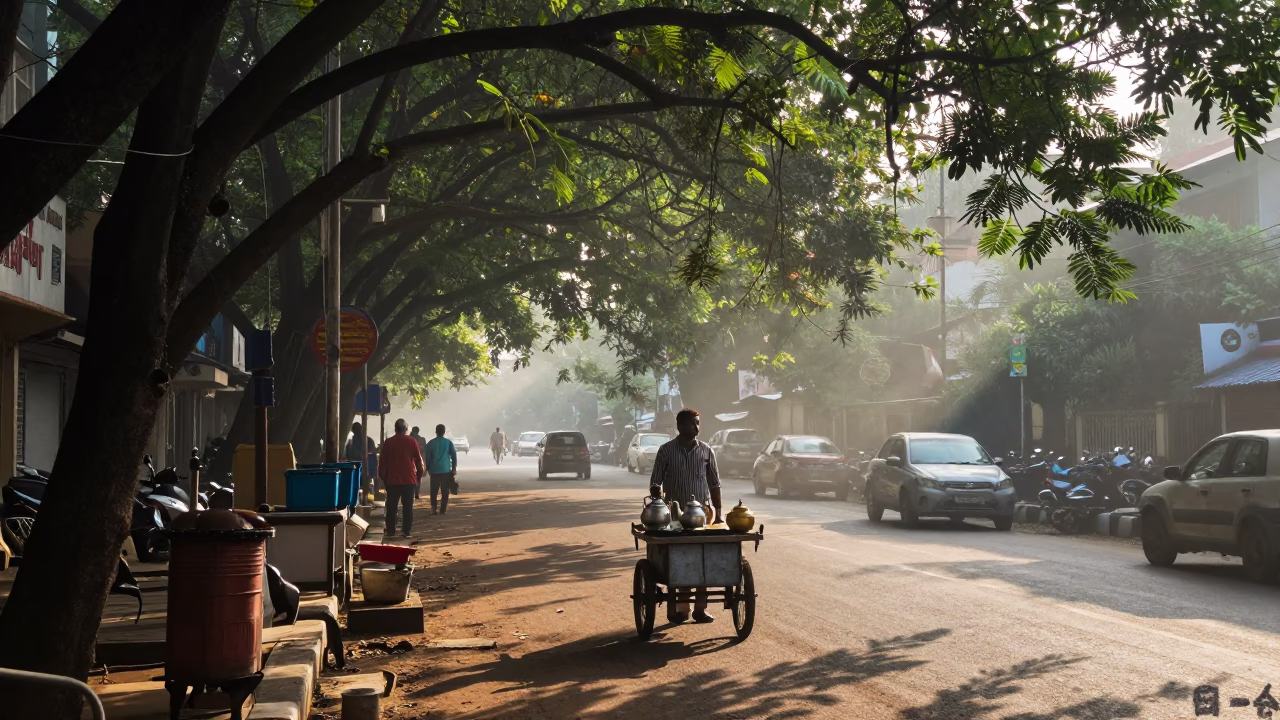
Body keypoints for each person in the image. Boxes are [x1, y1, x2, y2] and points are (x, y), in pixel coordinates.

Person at [649, 408, 722, 624]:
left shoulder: (707, 451)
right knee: (680, 561)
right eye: (692, 424)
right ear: (680, 426)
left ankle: (700, 609)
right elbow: (655, 482)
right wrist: (657, 494)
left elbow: (715, 484)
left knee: (701, 561)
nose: (697, 428)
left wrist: (718, 514)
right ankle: (681, 609)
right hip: (674, 518)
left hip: (703, 517)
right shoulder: (666, 451)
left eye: (698, 424)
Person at [378, 419, 424, 538]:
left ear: (395, 428)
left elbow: (382, 462)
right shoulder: (412, 441)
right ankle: (406, 531)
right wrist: (419, 476)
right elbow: (419, 461)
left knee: (392, 507)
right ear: (405, 429)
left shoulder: (388, 442)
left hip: (392, 480)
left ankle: (391, 531)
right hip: (409, 480)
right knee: (408, 507)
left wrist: (382, 476)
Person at [425, 424, 459, 514]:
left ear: (436, 432)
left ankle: (433, 509)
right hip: (445, 470)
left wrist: (428, 468)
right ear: (444, 432)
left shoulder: (431, 443)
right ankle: (443, 510)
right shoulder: (448, 443)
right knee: (445, 491)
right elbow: (454, 455)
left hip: (434, 470)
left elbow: (427, 458)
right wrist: (454, 468)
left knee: (434, 491)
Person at [409, 426, 428, 498]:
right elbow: (424, 452)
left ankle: (411, 492)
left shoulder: (408, 439)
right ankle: (416, 492)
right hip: (420, 461)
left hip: (409, 461)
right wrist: (425, 464)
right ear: (418, 431)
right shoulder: (422, 440)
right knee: (419, 477)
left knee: (409, 477)